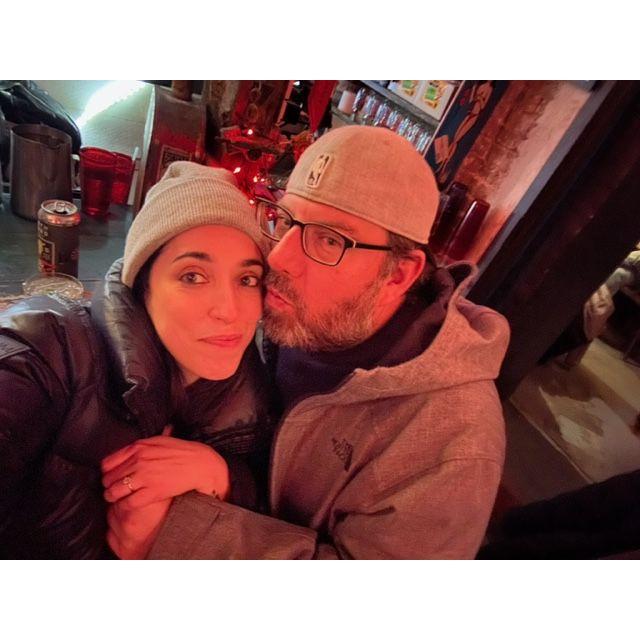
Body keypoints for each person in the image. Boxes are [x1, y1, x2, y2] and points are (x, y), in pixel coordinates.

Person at [106, 125, 510, 560]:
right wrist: (223, 477)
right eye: (284, 221)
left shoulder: (452, 445)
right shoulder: (285, 309)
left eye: (329, 240)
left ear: (398, 275)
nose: (279, 258)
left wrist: (182, 539)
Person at [0, 162, 273, 558]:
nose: (229, 311)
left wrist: (224, 477)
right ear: (142, 285)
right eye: (193, 276)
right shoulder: (47, 352)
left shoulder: (256, 409)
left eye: (246, 279)